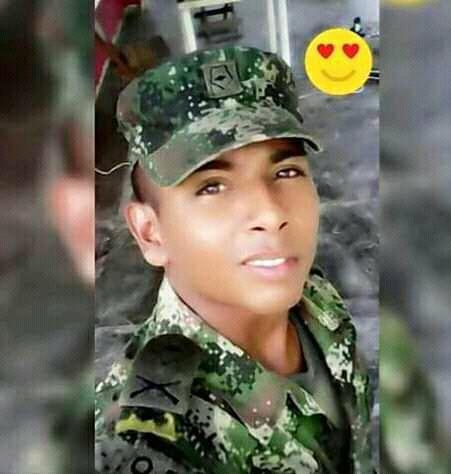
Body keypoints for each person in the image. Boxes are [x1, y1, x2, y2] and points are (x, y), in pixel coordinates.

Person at [95, 45, 374, 473]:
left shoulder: (316, 302)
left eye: (286, 172)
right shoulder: (147, 442)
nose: (271, 214)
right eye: (212, 187)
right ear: (150, 231)